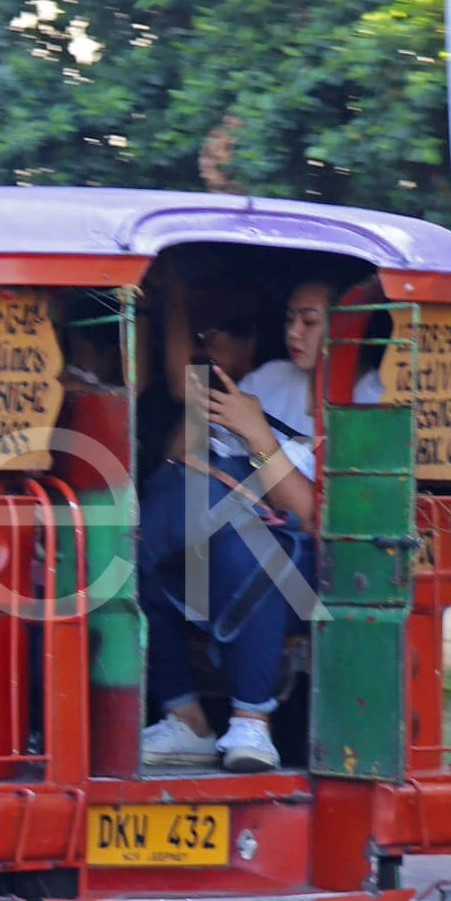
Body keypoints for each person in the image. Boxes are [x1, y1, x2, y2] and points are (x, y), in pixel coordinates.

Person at [139, 275, 329, 773]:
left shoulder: (367, 393)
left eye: (309, 321)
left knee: (250, 548)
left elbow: (311, 515)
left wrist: (259, 437)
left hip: (318, 564)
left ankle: (252, 722)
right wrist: (202, 429)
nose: (295, 332)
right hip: (235, 536)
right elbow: (192, 451)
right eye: (290, 319)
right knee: (137, 552)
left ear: (343, 327)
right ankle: (188, 721)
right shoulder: (269, 379)